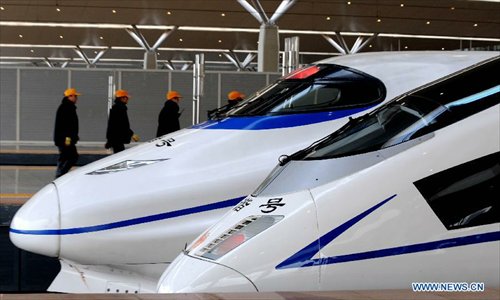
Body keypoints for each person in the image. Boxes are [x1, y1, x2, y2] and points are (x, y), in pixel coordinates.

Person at [54, 88, 81, 178]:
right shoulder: (67, 108)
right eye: (75, 96)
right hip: (65, 139)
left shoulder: (67, 107)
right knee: (72, 156)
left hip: (65, 138)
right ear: (70, 96)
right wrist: (68, 138)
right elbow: (66, 125)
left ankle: (60, 174)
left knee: (66, 156)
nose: (76, 98)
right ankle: (60, 174)